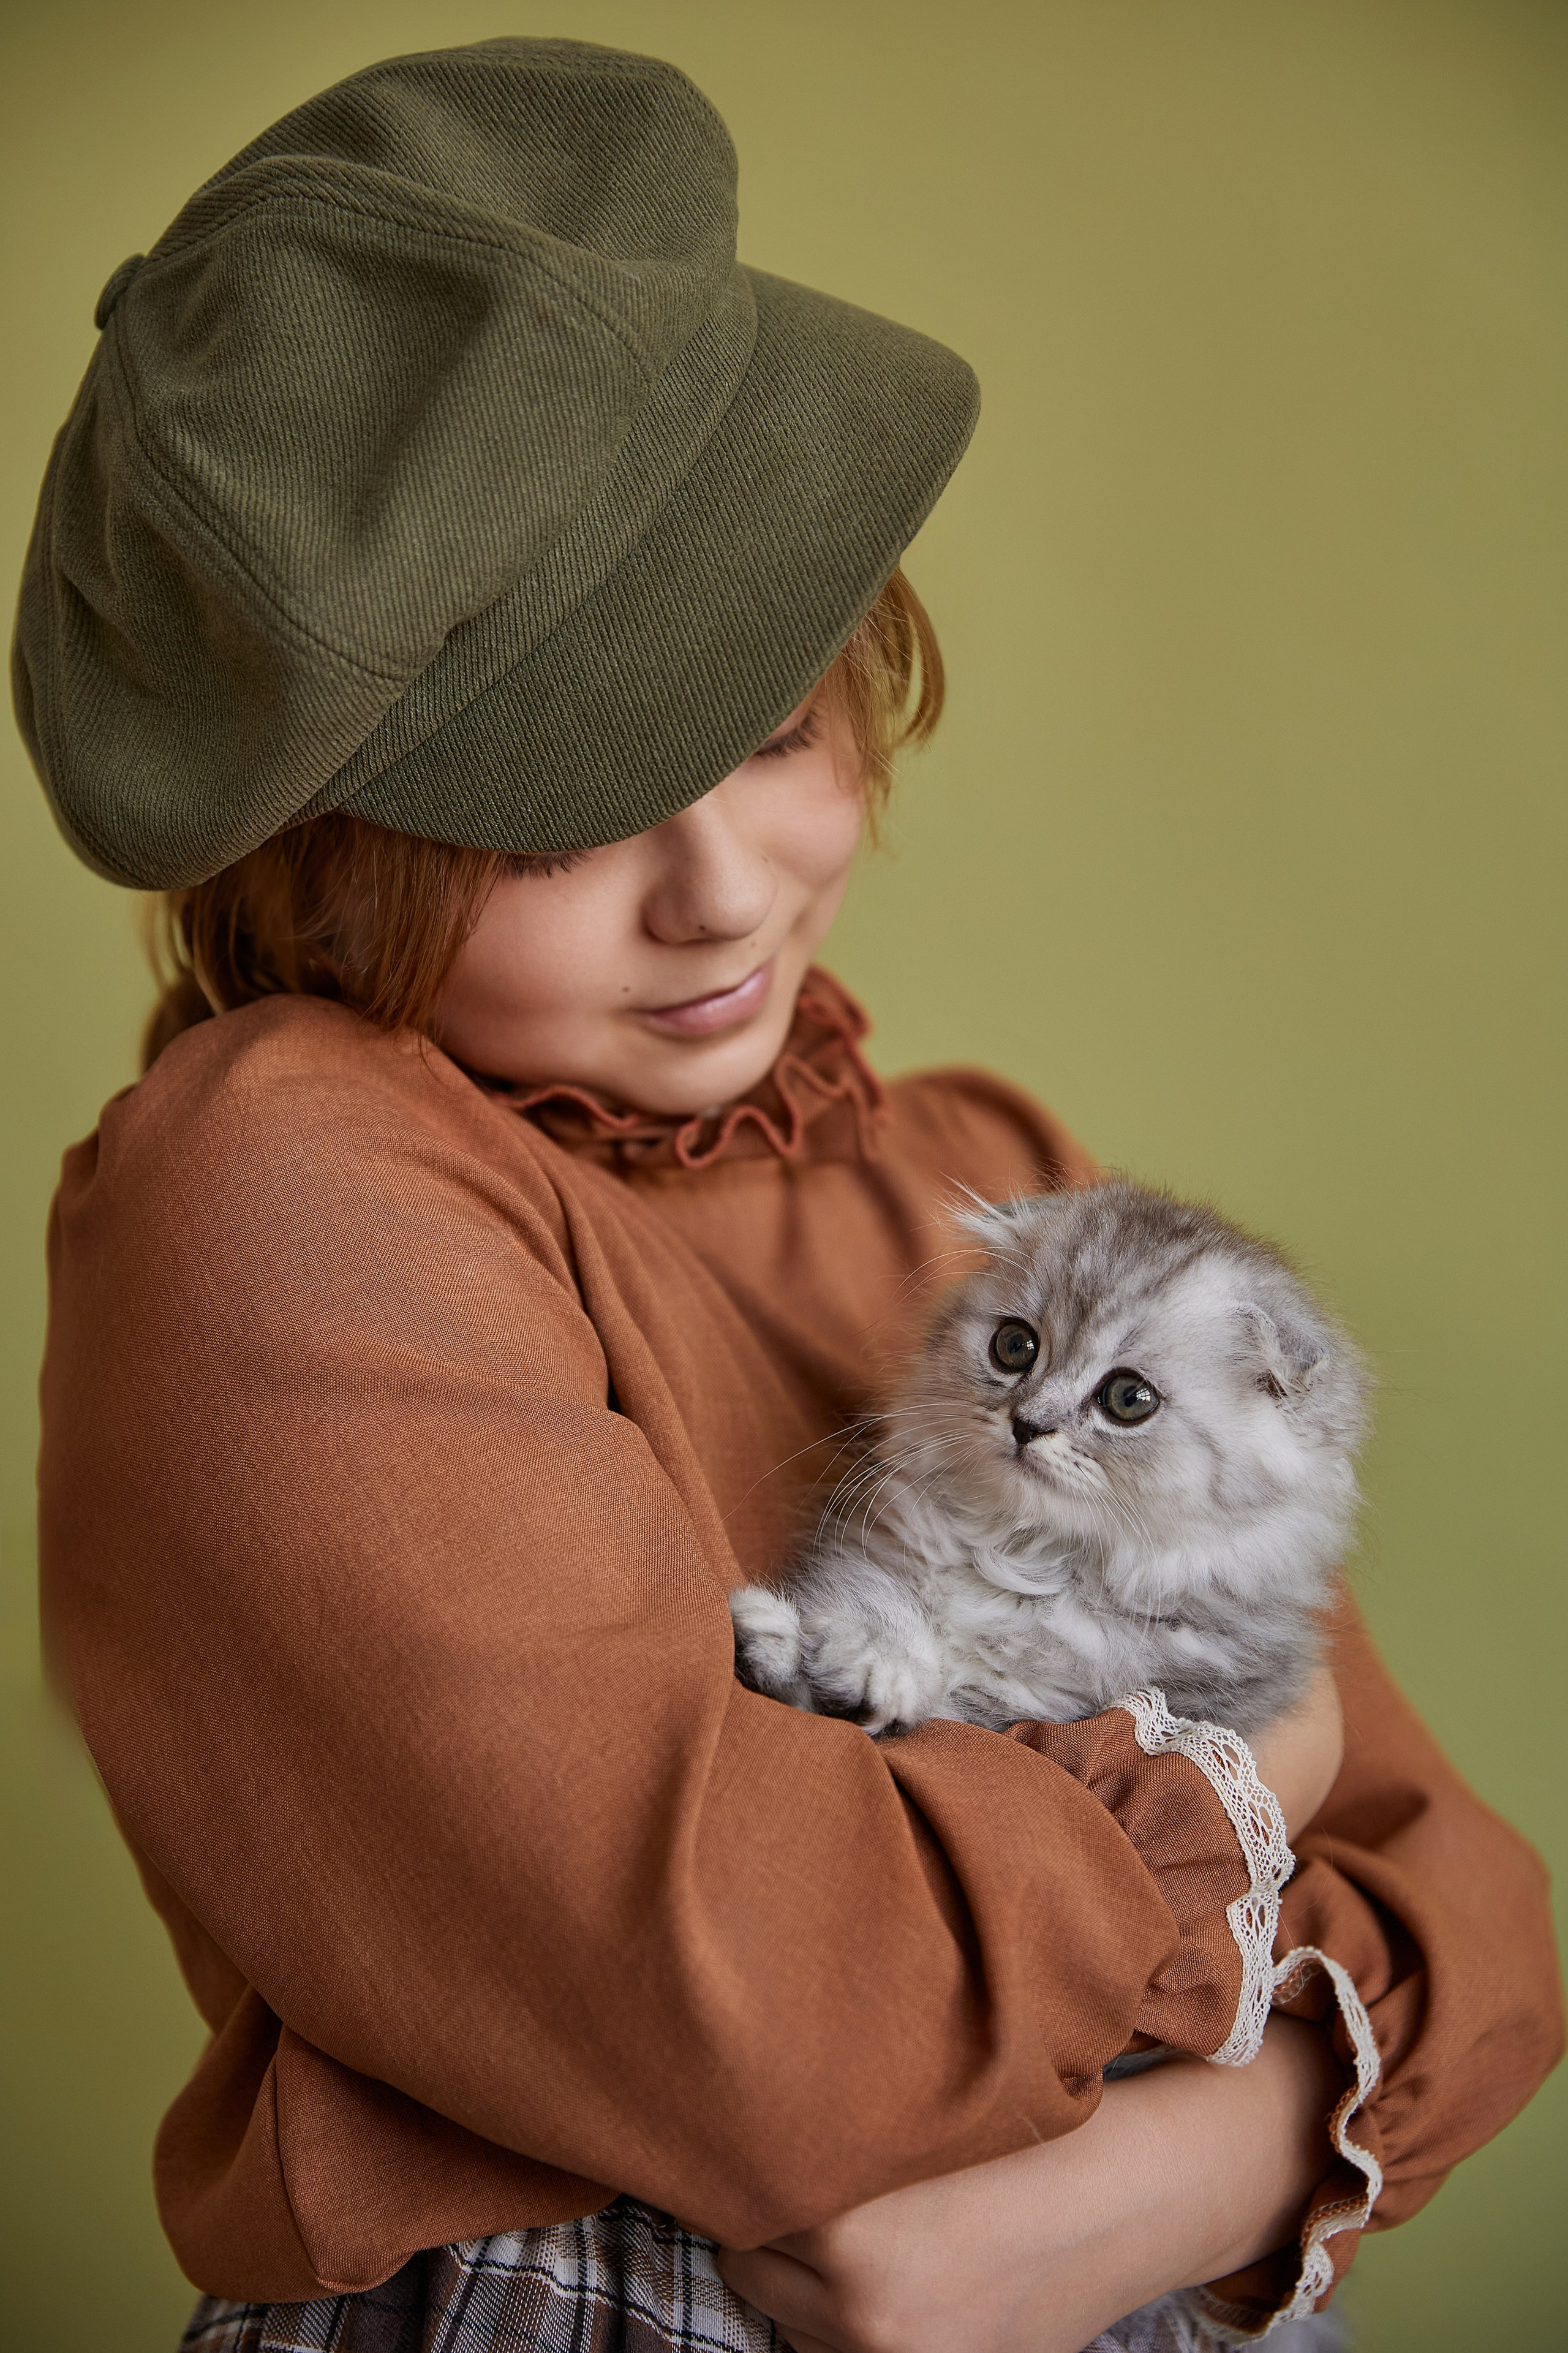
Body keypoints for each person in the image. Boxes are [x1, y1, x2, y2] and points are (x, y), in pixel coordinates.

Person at [15, 37, 1560, 2353]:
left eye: (769, 728)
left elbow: (1487, 1917)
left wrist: (1173, 2172)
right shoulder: (281, 1195)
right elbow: (765, 2014)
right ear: (317, 856)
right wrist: (1248, 1789)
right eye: (557, 816)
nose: (721, 889)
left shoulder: (990, 1178)